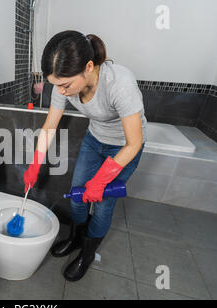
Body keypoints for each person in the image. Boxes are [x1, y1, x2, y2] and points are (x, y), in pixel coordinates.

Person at [23, 30, 147, 281]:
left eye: (65, 84)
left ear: (88, 67)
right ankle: (76, 239)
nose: (61, 91)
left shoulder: (119, 83)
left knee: (101, 205)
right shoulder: (63, 85)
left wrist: (101, 181)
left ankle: (87, 254)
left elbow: (134, 143)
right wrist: (35, 164)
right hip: (95, 140)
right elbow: (49, 127)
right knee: (78, 196)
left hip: (124, 147)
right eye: (56, 84)